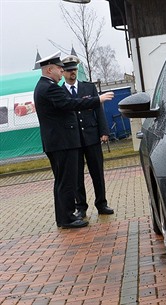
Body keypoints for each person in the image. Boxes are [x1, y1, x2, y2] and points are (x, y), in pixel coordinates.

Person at [34, 51, 114, 229]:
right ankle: (68, 218)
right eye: (59, 69)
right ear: (49, 70)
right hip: (62, 143)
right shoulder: (50, 88)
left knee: (63, 181)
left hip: (63, 142)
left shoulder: (44, 86)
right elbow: (71, 104)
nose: (62, 72)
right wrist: (97, 99)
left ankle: (64, 217)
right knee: (67, 182)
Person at [61, 55, 114, 218]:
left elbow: (99, 110)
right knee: (76, 175)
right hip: (73, 140)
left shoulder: (88, 88)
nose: (72, 73)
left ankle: (101, 204)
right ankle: (81, 207)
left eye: (74, 70)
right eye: (69, 70)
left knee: (97, 171)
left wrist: (104, 131)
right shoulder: (60, 92)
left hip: (91, 136)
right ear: (63, 72)